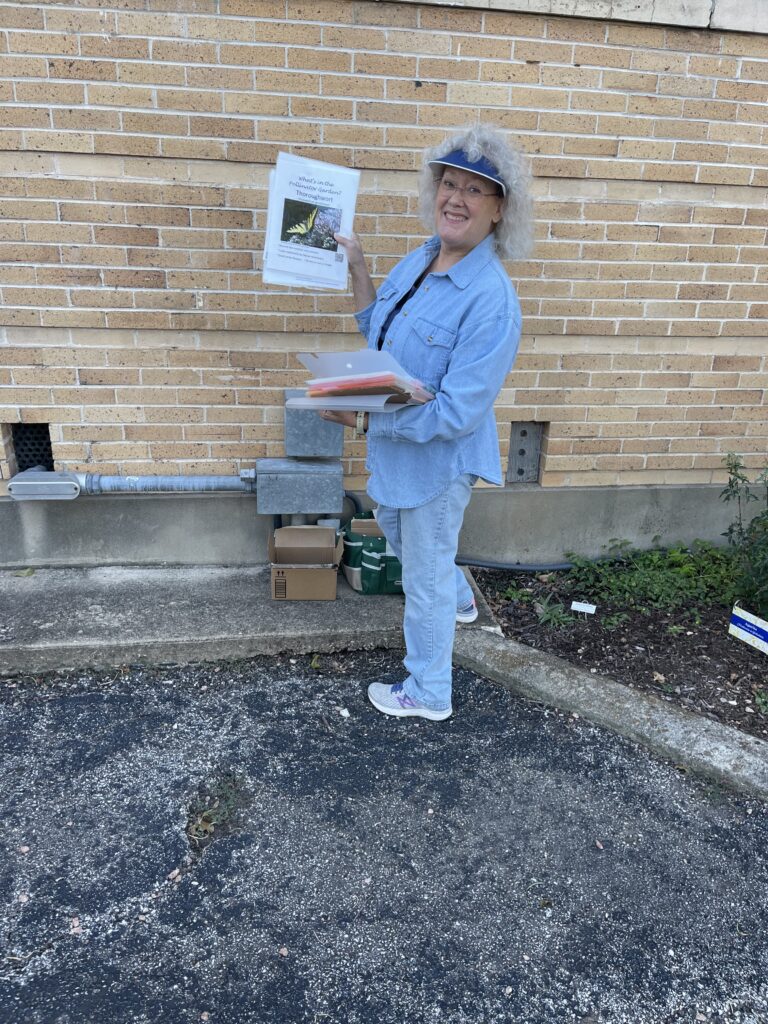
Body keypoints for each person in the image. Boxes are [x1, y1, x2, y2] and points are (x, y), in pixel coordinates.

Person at [322, 123, 533, 722]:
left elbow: (456, 413)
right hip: (398, 456)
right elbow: (377, 331)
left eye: (475, 190)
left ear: (498, 211)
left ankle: (429, 692)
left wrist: (363, 424)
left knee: (423, 581)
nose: (456, 198)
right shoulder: (422, 258)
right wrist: (358, 262)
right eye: (448, 182)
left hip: (437, 465)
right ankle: (458, 594)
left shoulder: (491, 301)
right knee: (408, 541)